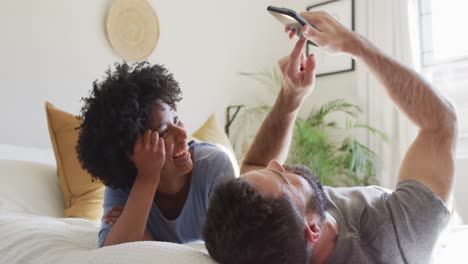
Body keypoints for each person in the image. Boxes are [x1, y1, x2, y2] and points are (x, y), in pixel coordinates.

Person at [203, 11, 457, 264]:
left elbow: (255, 166)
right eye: (283, 178)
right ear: (313, 229)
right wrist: (355, 45)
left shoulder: (275, 238)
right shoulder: (400, 233)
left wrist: (291, 97)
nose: (275, 163)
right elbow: (440, 123)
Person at [76, 62, 236, 247]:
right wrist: (147, 177)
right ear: (130, 155)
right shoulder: (122, 187)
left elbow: (232, 250)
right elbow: (113, 253)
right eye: (164, 132)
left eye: (175, 119)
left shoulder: (214, 166)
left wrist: (143, 234)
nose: (183, 134)